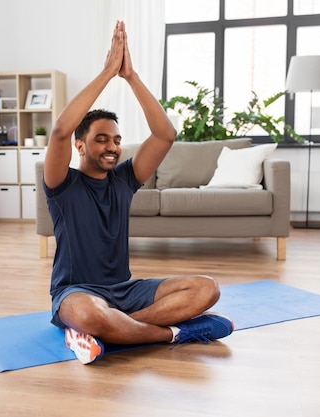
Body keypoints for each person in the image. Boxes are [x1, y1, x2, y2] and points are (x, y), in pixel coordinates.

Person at [42, 21, 233, 365]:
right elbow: (59, 131)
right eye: (102, 139)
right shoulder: (62, 184)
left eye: (116, 139)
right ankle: (176, 333)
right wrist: (106, 73)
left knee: (208, 288)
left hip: (127, 291)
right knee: (88, 314)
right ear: (80, 146)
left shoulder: (124, 179)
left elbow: (164, 135)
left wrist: (130, 76)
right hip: (77, 292)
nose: (113, 146)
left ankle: (112, 332)